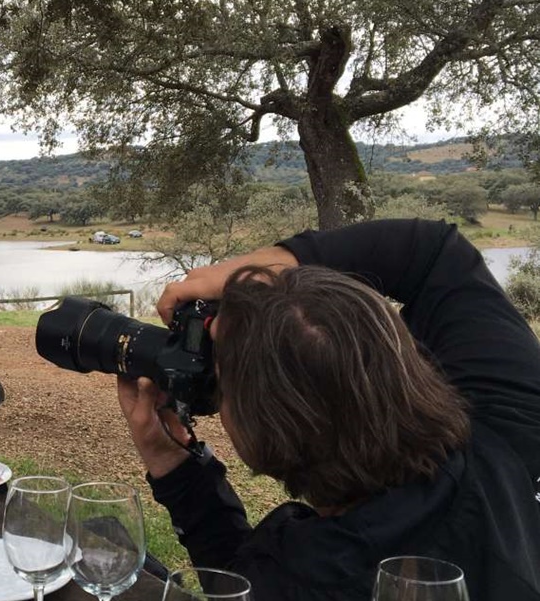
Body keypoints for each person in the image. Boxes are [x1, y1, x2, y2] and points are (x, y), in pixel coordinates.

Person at [118, 218, 540, 600]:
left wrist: (176, 470)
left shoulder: (308, 578)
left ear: (264, 434)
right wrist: (262, 268)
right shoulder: (507, 424)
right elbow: (433, 251)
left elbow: (235, 585)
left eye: (221, 384)